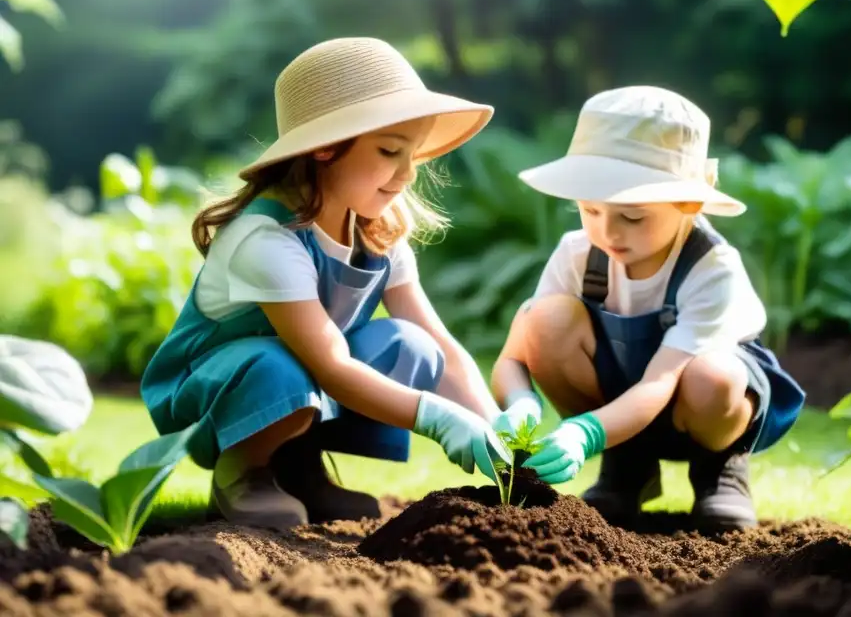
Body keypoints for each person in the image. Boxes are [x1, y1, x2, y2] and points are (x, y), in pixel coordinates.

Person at [141, 38, 511, 530]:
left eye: (413, 156)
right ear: (326, 147)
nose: (405, 175)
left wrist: (499, 431)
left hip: (305, 379)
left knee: (412, 345)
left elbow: (438, 340)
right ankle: (243, 472)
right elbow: (332, 369)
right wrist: (437, 418)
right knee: (279, 369)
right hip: (212, 394)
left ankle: (299, 470)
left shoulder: (377, 226)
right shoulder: (267, 238)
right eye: (388, 151)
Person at [490, 86, 805, 532]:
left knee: (711, 376)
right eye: (589, 210)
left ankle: (720, 471)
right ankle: (628, 468)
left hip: (701, 400)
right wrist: (519, 403)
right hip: (624, 394)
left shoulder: (711, 268)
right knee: (545, 321)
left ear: (689, 203)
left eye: (632, 216)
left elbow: (660, 381)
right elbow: (513, 356)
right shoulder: (578, 254)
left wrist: (588, 432)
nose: (607, 231)